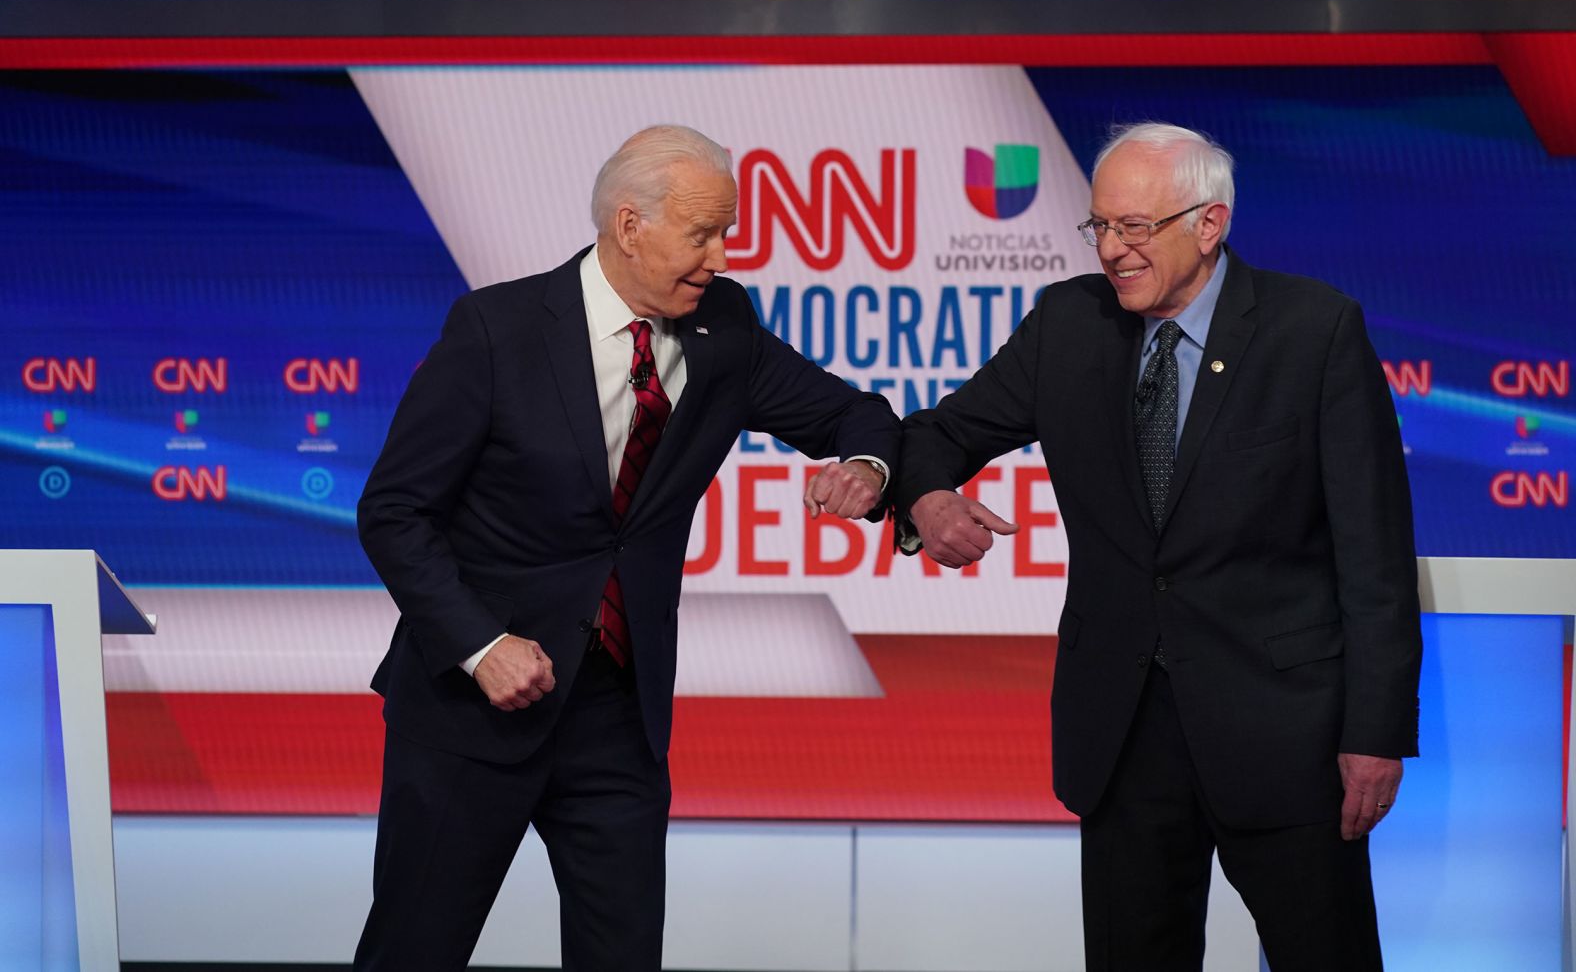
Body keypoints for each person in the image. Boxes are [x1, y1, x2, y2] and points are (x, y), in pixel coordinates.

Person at [353, 124, 899, 971]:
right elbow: (394, 511)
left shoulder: (724, 329)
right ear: (629, 224)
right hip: (474, 705)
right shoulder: (497, 330)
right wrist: (480, 644)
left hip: (616, 714)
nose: (722, 256)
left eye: (727, 233)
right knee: (415, 949)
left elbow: (851, 411)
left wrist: (866, 466)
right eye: (703, 234)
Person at [896, 122, 1420, 971]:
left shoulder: (1312, 330)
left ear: (1208, 224)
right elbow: (938, 430)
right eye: (1099, 225)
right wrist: (927, 493)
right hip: (1124, 732)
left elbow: (1377, 555)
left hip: (1284, 733)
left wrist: (1377, 729)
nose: (1110, 249)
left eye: (1134, 227)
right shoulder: (1069, 323)